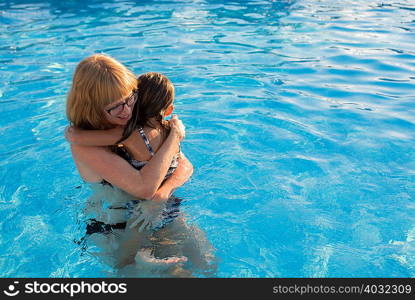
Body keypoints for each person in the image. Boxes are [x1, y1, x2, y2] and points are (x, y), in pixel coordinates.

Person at [66, 54, 215, 277]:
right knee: (155, 273)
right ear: (92, 107)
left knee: (207, 263)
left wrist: (162, 195)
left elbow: (184, 165)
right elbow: (144, 187)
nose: (127, 110)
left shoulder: (133, 119)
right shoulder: (85, 145)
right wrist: (175, 135)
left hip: (159, 211)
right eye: (115, 107)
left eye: (130, 98)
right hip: (116, 228)